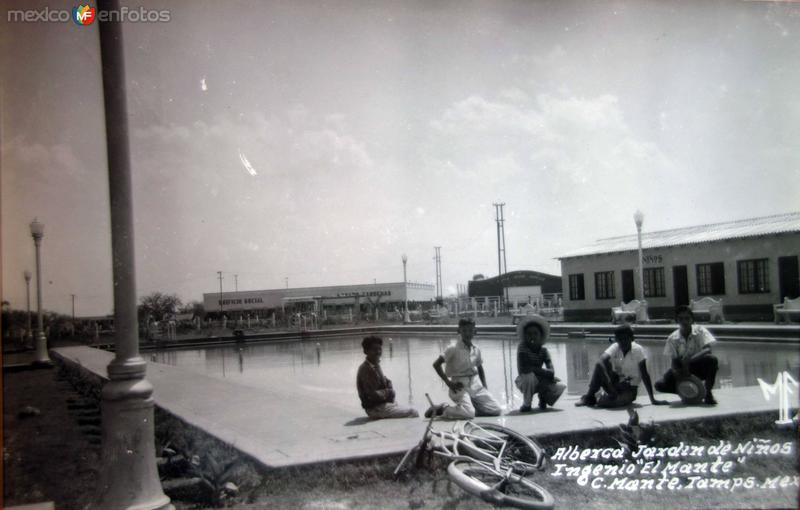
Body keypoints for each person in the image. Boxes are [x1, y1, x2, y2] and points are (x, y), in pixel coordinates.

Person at [576, 324, 669, 408]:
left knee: (605, 404)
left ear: (632, 338)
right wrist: (610, 386)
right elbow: (600, 362)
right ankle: (590, 395)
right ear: (616, 339)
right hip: (615, 385)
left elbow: (645, 374)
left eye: (626, 339)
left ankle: (596, 397)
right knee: (600, 365)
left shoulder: (638, 350)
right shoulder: (615, 346)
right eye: (620, 339)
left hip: (629, 389)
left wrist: (653, 399)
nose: (623, 342)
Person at [426, 318, 502, 419]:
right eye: (464, 330)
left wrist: (485, 386)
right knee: (469, 414)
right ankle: (443, 409)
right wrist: (448, 383)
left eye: (470, 330)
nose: (467, 333)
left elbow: (480, 367)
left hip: (475, 384)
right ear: (459, 331)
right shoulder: (453, 348)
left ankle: (466, 409)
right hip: (459, 385)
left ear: (475, 331)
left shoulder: (476, 349)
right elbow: (436, 364)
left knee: (496, 410)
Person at [654, 306, 719, 405]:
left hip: (698, 366)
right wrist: (677, 372)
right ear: (677, 320)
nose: (684, 321)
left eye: (687, 318)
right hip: (682, 369)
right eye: (681, 319)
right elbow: (674, 361)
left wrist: (689, 360)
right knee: (659, 385)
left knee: (712, 360)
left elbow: (707, 349)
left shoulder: (700, 330)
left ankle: (707, 392)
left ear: (692, 319)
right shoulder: (672, 338)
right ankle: (687, 392)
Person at [356, 336, 419, 419]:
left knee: (408, 409)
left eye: (379, 349)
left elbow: (386, 383)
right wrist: (389, 392)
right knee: (413, 412)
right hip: (375, 409)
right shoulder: (365, 369)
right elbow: (373, 395)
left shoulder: (375, 365)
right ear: (366, 351)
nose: (378, 352)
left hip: (381, 405)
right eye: (374, 349)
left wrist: (387, 389)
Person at [515, 315, 566, 412]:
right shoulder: (522, 348)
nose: (532, 336)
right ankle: (527, 404)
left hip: (539, 379)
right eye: (529, 334)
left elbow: (551, 371)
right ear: (525, 336)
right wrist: (545, 375)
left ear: (541, 336)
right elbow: (524, 369)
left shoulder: (544, 351)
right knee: (529, 376)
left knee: (561, 386)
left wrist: (546, 376)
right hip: (524, 381)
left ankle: (542, 397)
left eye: (535, 333)